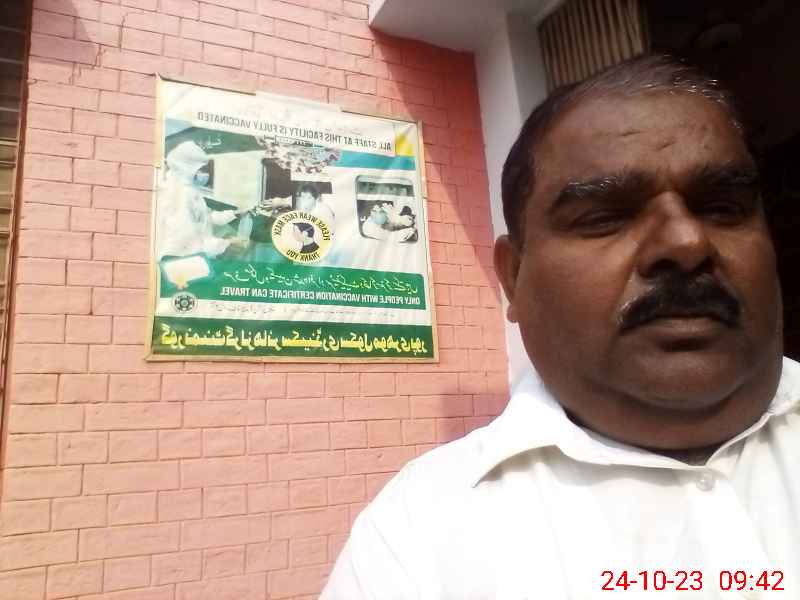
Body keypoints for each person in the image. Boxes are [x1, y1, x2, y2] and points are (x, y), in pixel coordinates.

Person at [321, 54, 799, 599]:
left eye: (723, 207)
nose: (687, 243)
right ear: (514, 278)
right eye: (604, 217)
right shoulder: (415, 536)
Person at [156, 140, 240, 259]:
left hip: (190, 257)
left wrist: (235, 213)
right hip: (181, 258)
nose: (205, 174)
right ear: (186, 168)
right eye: (200, 169)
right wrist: (227, 243)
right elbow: (190, 240)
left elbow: (205, 217)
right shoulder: (180, 193)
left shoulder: (189, 190)